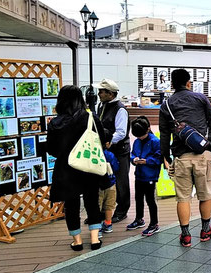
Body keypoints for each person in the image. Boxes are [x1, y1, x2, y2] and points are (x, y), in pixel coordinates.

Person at [159, 69, 211, 247]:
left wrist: (165, 156)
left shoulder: (167, 105)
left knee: (183, 198)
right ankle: (205, 230)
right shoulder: (200, 98)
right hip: (203, 154)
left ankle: (186, 235)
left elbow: (164, 133)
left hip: (180, 156)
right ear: (189, 83)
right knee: (205, 194)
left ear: (172, 85)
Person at [47, 85, 107, 251]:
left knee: (71, 205)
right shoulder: (90, 117)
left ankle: (77, 241)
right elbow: (101, 141)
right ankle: (95, 239)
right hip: (89, 166)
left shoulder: (55, 123)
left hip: (66, 169)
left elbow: (52, 149)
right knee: (92, 201)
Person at [95, 79, 131, 224]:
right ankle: (106, 211)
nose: (98, 94)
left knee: (121, 182)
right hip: (106, 150)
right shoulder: (101, 106)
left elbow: (121, 132)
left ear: (110, 94)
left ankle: (122, 211)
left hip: (119, 151)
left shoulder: (120, 109)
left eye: (101, 92)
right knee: (105, 180)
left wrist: (110, 142)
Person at [127, 116, 161, 236]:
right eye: (137, 136)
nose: (139, 138)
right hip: (139, 174)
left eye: (141, 135)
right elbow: (132, 154)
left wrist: (147, 161)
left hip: (150, 176)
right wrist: (134, 159)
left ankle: (154, 223)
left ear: (148, 129)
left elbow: (159, 158)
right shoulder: (137, 141)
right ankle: (139, 219)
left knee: (150, 200)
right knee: (138, 198)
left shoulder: (155, 141)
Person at [98, 146, 119, 238]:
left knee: (96, 205)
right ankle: (108, 223)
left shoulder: (93, 154)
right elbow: (116, 167)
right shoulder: (110, 155)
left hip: (96, 185)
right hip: (110, 183)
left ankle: (97, 228)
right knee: (109, 205)